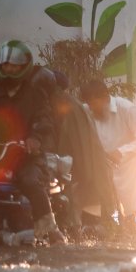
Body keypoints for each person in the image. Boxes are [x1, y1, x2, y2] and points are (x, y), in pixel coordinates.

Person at [0, 40, 64, 243]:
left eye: (14, 65)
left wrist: (34, 139)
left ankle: (50, 228)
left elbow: (44, 120)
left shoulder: (35, 95)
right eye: (6, 64)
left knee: (29, 180)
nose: (9, 69)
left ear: (24, 66)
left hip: (24, 156)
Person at [82, 80, 136, 242]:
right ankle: (128, 243)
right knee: (120, 211)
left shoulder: (126, 109)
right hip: (115, 168)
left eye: (93, 103)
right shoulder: (88, 111)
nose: (91, 108)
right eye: (88, 104)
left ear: (104, 97)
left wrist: (121, 152)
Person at [49, 72, 119, 235]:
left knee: (78, 210)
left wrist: (82, 174)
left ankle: (77, 229)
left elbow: (79, 147)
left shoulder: (68, 106)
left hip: (78, 171)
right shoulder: (69, 105)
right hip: (81, 170)